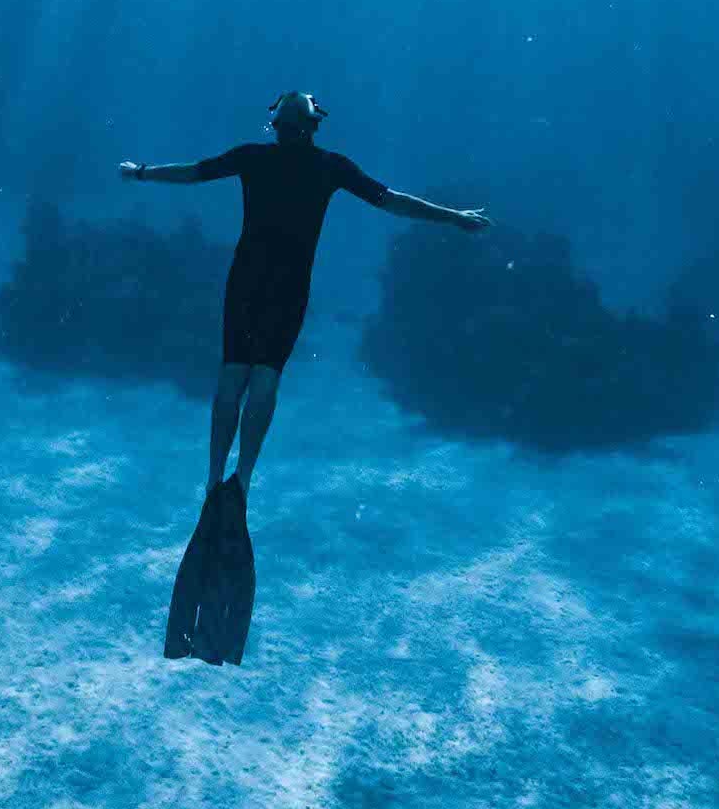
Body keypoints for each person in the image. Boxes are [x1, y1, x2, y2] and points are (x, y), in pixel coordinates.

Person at [120, 89, 489, 501]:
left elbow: (192, 173)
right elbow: (392, 202)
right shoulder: (331, 167)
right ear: (314, 125)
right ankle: (241, 480)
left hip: (245, 278)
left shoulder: (251, 157)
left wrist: (141, 172)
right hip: (289, 285)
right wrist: (453, 218)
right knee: (265, 376)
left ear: (275, 124)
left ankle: (212, 479)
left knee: (232, 374)